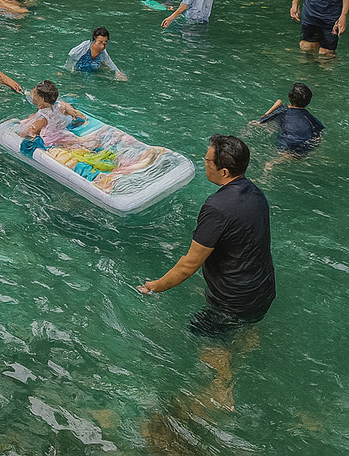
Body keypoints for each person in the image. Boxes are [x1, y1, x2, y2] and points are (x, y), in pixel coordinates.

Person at [138, 135, 275, 337]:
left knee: (211, 347)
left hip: (231, 303)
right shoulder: (256, 193)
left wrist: (155, 287)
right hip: (263, 290)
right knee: (244, 331)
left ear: (225, 172)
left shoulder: (217, 208)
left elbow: (188, 266)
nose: (204, 163)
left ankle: (223, 368)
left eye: (207, 160)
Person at [257, 81, 324, 166]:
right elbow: (321, 129)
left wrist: (258, 121)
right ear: (308, 102)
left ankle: (271, 165)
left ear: (289, 97)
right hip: (306, 142)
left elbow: (263, 121)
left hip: (288, 142)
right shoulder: (309, 116)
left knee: (283, 154)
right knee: (297, 154)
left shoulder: (284, 110)